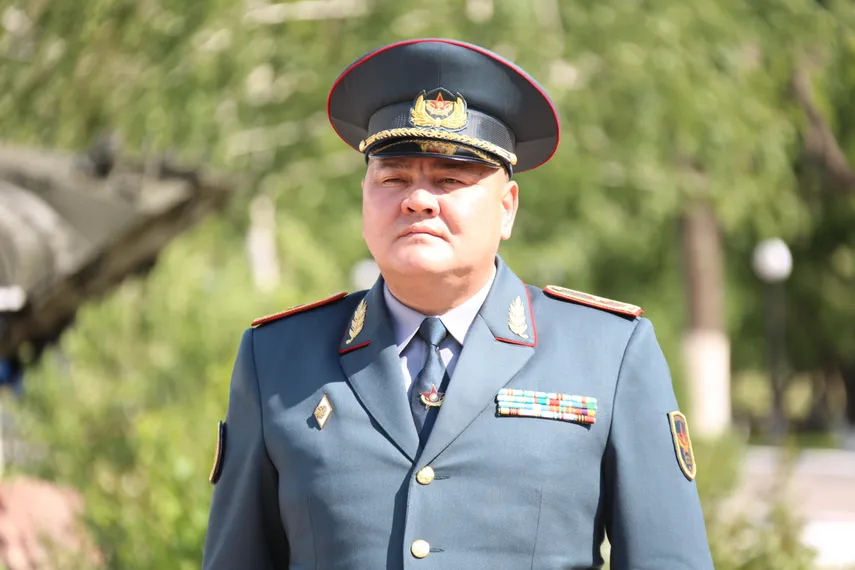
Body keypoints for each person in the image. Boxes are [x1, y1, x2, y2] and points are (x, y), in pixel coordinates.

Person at [202, 38, 713, 570]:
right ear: (365, 198)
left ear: (507, 208)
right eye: (393, 177)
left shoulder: (608, 353)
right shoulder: (277, 358)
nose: (418, 200)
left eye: (450, 179)